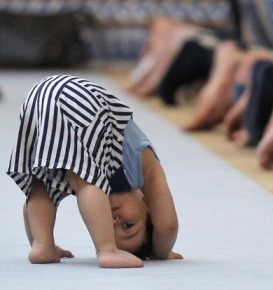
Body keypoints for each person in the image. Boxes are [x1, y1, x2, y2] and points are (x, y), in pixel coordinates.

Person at [7, 75, 181, 268]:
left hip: (38, 96)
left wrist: (35, 237)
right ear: (148, 205)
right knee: (86, 181)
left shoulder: (86, 171)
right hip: (81, 99)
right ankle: (107, 249)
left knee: (43, 183)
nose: (114, 219)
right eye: (128, 225)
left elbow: (32, 203)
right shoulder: (143, 166)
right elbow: (167, 226)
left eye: (109, 227)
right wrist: (161, 253)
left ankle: (42, 245)